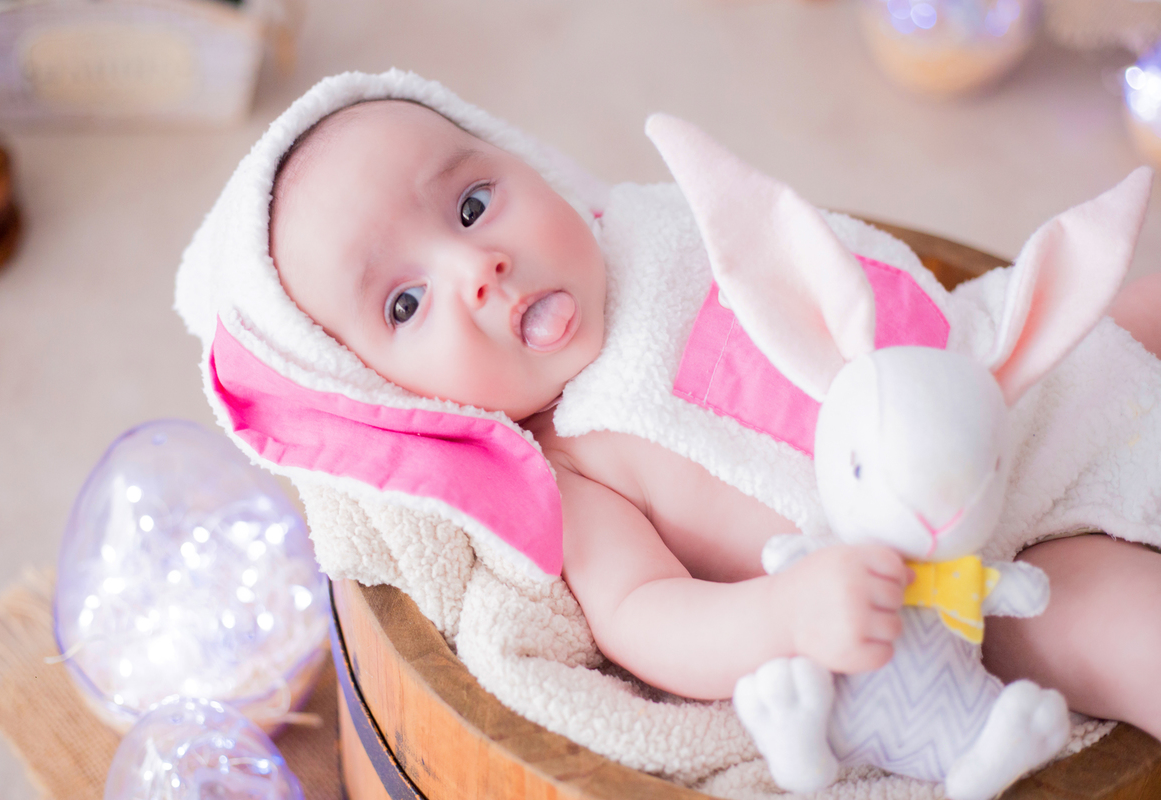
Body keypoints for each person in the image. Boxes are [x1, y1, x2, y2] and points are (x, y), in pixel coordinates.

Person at [261, 94, 1161, 742]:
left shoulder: (656, 227)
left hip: (1010, 369)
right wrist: (788, 616)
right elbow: (647, 615)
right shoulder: (564, 464)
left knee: (1128, 319)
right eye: (406, 305)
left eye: (471, 204)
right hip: (984, 565)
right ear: (389, 398)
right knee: (1121, 635)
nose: (479, 266)